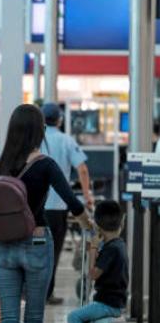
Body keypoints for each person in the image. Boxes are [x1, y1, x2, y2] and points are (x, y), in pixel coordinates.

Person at [0, 104, 91, 323]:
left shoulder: (0, 165)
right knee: (34, 321)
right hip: (35, 244)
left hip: (4, 248)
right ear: (40, 131)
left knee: (7, 320)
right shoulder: (45, 164)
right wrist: (88, 224)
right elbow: (72, 201)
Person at [62, 201, 128, 323]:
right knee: (80, 316)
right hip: (115, 302)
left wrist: (92, 247)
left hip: (108, 304)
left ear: (98, 227)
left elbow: (92, 274)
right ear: (120, 224)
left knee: (74, 317)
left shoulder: (111, 249)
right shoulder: (119, 245)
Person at [40, 102, 94, 305]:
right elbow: (82, 169)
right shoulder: (66, 140)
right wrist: (87, 195)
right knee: (53, 251)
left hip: (36, 206)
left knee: (35, 249)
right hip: (58, 207)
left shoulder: (36, 140)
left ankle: (32, 291)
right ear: (60, 120)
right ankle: (47, 293)